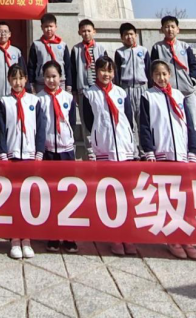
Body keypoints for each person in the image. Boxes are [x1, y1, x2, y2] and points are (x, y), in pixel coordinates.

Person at [140, 59, 196, 260]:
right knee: (167, 197)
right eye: (157, 74)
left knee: (184, 197)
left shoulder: (179, 96)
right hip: (162, 152)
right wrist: (148, 151)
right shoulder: (148, 96)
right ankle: (171, 238)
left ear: (170, 75)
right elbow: (144, 126)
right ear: (152, 77)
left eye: (164, 74)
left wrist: (193, 150)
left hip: (182, 153)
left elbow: (190, 124)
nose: (161, 77)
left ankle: (186, 237)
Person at [82, 56, 137, 257]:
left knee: (126, 193)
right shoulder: (90, 94)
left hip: (124, 147)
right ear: (96, 72)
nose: (106, 74)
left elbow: (128, 118)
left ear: (114, 73)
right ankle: (114, 235)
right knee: (110, 193)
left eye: (109, 71)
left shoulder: (121, 92)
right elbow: (88, 121)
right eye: (102, 70)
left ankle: (128, 235)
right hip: (104, 147)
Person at [0, 63, 45, 259]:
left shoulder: (35, 101)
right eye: (14, 78)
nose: (18, 82)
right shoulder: (4, 101)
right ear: (9, 80)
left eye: (21, 78)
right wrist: (2, 153)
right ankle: (14, 237)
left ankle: (27, 237)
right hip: (11, 154)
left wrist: (39, 152)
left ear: (26, 80)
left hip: (30, 154)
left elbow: (41, 128)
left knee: (28, 197)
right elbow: (0, 129)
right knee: (12, 196)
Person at [38, 60, 77, 254]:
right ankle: (52, 233)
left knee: (67, 192)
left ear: (60, 77)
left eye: (54, 76)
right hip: (47, 150)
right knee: (49, 193)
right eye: (47, 77)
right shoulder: (38, 99)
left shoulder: (68, 98)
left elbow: (70, 122)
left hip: (65, 150)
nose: (51, 80)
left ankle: (69, 235)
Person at [151, 16, 196, 157]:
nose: (170, 29)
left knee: (193, 124)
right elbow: (154, 67)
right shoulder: (157, 47)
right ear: (162, 29)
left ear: (178, 29)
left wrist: (192, 79)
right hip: (170, 93)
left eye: (172, 26)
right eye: (166, 27)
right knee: (174, 125)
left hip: (187, 92)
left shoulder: (185, 47)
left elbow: (193, 65)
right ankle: (178, 153)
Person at [114, 22, 151, 158]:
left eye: (131, 34)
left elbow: (148, 69)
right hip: (126, 88)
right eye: (126, 35)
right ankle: (133, 150)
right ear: (122, 37)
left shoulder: (143, 51)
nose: (129, 37)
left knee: (143, 120)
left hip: (142, 87)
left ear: (136, 35)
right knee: (129, 121)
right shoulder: (119, 52)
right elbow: (117, 72)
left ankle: (145, 150)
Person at [71, 19, 106, 160]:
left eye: (89, 30)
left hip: (98, 89)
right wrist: (73, 90)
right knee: (86, 120)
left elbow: (106, 69)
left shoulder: (100, 48)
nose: (86, 33)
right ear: (79, 32)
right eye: (83, 31)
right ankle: (90, 149)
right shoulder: (76, 49)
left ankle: (102, 145)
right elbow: (73, 70)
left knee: (100, 117)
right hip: (83, 90)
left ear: (94, 31)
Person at [27, 13, 72, 94]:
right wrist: (31, 83)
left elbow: (68, 66)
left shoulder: (62, 45)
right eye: (46, 26)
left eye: (51, 26)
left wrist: (69, 84)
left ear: (56, 27)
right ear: (42, 27)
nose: (49, 29)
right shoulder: (36, 45)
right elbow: (31, 66)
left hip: (60, 82)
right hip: (41, 82)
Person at [0, 21, 26, 100]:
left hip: (14, 93)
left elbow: (23, 72)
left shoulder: (16, 52)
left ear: (10, 34)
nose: (2, 34)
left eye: (5, 31)